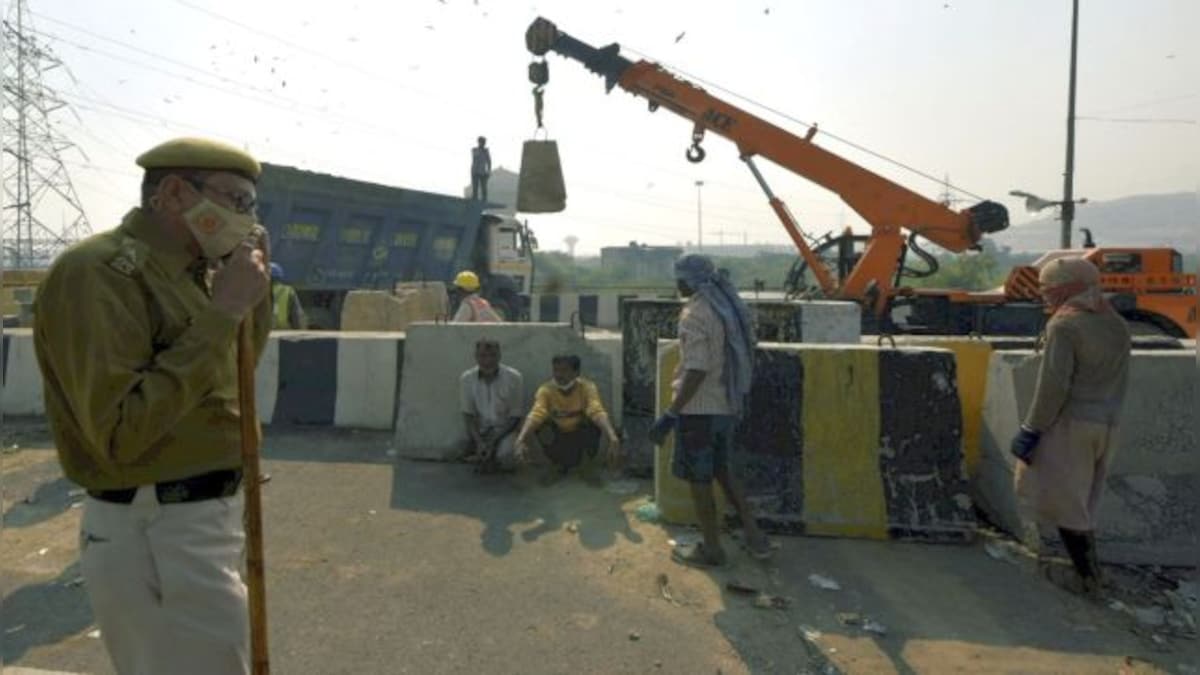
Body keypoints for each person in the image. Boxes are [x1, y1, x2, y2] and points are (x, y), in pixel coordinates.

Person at [32, 137, 272, 674]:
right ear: (173, 193)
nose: (246, 219)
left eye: (251, 206)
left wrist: (242, 303)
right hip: (158, 526)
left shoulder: (190, 276)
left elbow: (233, 378)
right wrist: (222, 313)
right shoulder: (100, 273)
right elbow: (121, 434)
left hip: (200, 521)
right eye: (235, 201)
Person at [1011, 257, 1131, 597]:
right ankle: (1092, 572)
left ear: (1066, 289)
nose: (1045, 296)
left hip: (1072, 425)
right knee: (1085, 503)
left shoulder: (1064, 325)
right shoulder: (1116, 323)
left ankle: (1087, 580)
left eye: (1049, 290)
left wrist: (1031, 429)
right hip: (1107, 425)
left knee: (1066, 504)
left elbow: (1053, 387)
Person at [648, 254, 771, 566]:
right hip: (726, 405)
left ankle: (712, 548)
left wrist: (672, 413)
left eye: (679, 278)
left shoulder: (695, 313)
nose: (676, 283)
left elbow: (697, 368)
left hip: (699, 411)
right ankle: (756, 539)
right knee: (725, 473)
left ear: (688, 280)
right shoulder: (725, 307)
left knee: (699, 481)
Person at [515, 354, 621, 476]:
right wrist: (520, 439)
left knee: (593, 423)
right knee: (542, 426)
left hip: (579, 435)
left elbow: (596, 410)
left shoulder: (587, 387)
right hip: (558, 436)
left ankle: (586, 468)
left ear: (576, 373)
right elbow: (536, 413)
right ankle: (556, 466)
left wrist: (613, 437)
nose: (559, 375)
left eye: (564, 370)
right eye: (556, 370)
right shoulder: (546, 390)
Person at [460, 338, 525, 473]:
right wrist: (479, 441)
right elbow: (468, 415)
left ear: (499, 356)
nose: (488, 361)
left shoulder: (514, 377)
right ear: (476, 357)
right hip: (481, 430)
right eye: (483, 356)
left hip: (504, 430)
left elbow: (515, 416)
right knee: (456, 450)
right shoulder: (467, 378)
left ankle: (491, 457)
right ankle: (484, 455)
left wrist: (493, 441)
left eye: (492, 356)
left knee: (508, 458)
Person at [269, 262, 307, 329]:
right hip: (283, 333)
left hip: (263, 333)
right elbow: (297, 316)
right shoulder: (288, 291)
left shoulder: (256, 291)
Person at [470, 136, 492, 201]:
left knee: (484, 187)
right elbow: (475, 156)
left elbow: (489, 161)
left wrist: (489, 171)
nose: (483, 144)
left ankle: (484, 199)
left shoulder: (486, 151)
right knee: (475, 187)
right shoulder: (475, 150)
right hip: (475, 171)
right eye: (482, 142)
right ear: (479, 142)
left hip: (483, 172)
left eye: (484, 143)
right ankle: (474, 198)